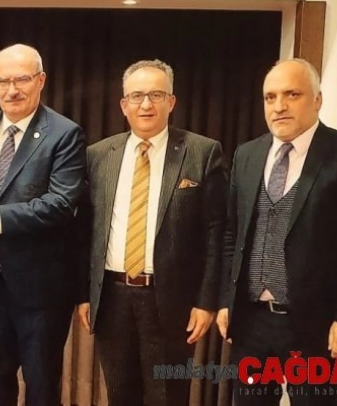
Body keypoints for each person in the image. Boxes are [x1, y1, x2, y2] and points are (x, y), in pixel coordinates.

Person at [217, 58, 337, 406]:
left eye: (292, 94)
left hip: (317, 326)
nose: (279, 106)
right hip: (251, 324)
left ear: (317, 100)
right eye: (270, 97)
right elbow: (232, 235)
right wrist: (227, 301)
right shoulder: (247, 154)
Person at [75, 59, 227, 405]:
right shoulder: (98, 155)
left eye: (156, 95)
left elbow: (216, 233)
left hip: (171, 300)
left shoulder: (202, 152)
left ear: (171, 101)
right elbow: (85, 231)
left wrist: (206, 301)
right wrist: (84, 294)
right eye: (137, 96)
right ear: (123, 105)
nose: (146, 104)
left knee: (168, 397)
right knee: (120, 395)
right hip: (111, 298)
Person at [0, 44, 86, 406]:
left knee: (41, 389)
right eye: (3, 81)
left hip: (42, 291)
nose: (11, 89)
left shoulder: (64, 133)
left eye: (21, 79)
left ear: (41, 80)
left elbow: (61, 204)